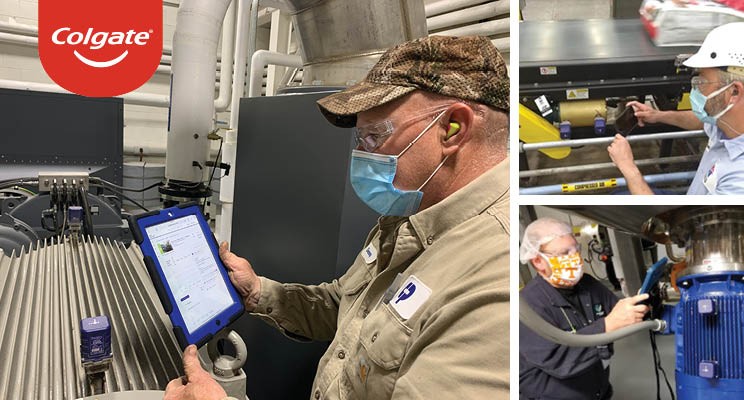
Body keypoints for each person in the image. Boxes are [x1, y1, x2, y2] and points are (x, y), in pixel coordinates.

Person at [164, 35, 510, 400]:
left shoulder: (493, 278)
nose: (361, 156)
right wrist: (259, 292)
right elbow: (345, 307)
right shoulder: (408, 218)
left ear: (453, 127)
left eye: (374, 137)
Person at [519, 218, 650, 400]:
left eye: (576, 249)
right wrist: (607, 326)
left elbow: (618, 309)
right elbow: (559, 362)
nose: (575, 258)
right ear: (538, 262)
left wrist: (644, 306)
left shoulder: (588, 284)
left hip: (597, 391)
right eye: (564, 253)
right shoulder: (527, 307)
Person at [607, 22, 744, 195]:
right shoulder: (729, 121)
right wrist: (658, 115)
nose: (695, 89)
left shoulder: (738, 182)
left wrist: (629, 168)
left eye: (701, 82)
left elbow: (680, 223)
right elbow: (702, 122)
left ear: (734, 92)